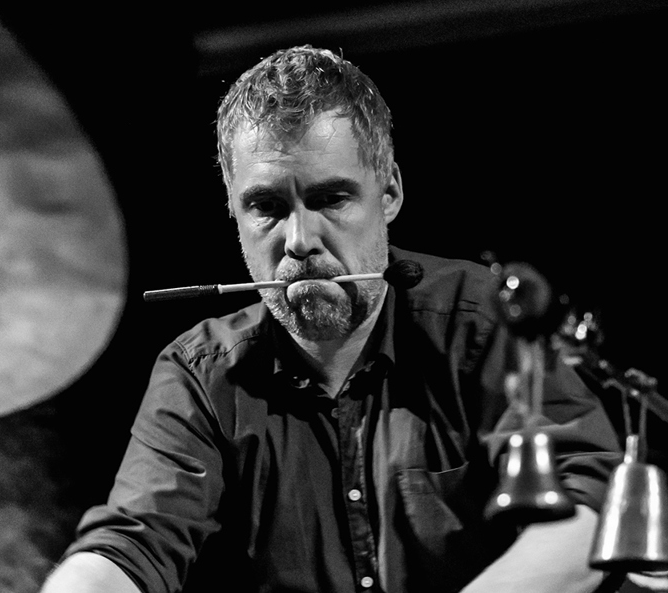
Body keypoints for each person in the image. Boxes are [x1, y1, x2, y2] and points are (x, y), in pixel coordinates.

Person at [40, 46, 623, 592]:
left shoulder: (482, 320)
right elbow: (127, 548)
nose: (298, 242)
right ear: (232, 211)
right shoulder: (201, 376)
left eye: (329, 199)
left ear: (389, 191)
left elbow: (587, 513)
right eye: (267, 207)